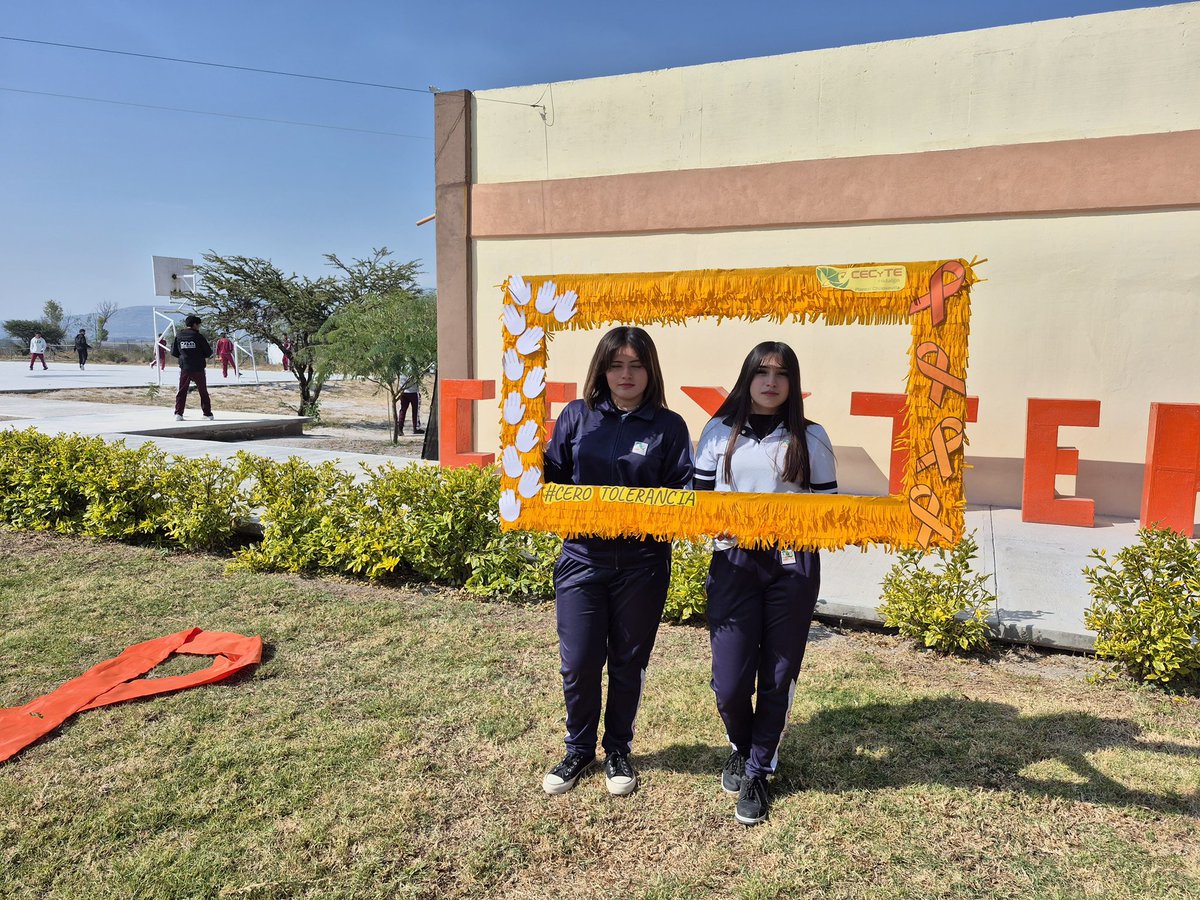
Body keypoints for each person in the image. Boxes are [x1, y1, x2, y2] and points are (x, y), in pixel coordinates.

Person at [541, 326, 694, 797]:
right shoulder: (576, 417)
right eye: (616, 365)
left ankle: (619, 749)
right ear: (601, 369)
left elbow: (682, 493)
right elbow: (551, 479)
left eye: (635, 365)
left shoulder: (669, 426)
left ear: (650, 371)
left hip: (643, 565)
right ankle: (579, 748)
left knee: (628, 661)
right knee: (580, 662)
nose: (625, 375)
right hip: (581, 559)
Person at [693, 341, 838, 825]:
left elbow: (827, 510)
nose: (771, 381)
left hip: (791, 564)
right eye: (761, 372)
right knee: (730, 682)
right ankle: (740, 742)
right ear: (747, 377)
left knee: (777, 674)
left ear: (793, 383)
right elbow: (699, 504)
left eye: (781, 373)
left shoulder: (811, 437)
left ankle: (757, 768)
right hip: (733, 562)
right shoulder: (717, 432)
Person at [170, 315, 214, 421]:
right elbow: (208, 352)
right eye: (199, 325)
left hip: (185, 367)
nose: (199, 327)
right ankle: (207, 414)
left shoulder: (179, 336)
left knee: (182, 391)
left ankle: (178, 414)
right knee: (203, 391)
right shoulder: (198, 337)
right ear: (195, 324)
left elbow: (173, 352)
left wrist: (183, 357)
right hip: (198, 367)